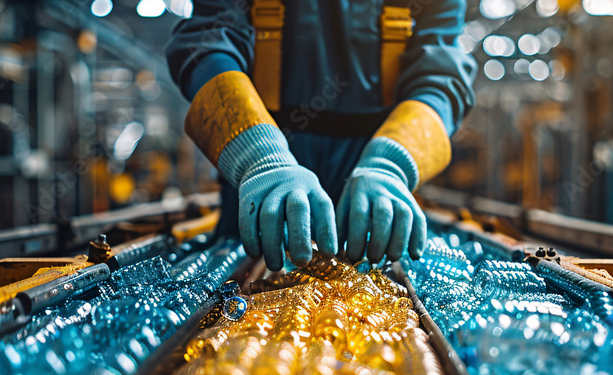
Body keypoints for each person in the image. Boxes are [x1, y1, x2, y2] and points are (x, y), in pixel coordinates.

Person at [166, 0, 476, 270]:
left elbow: (441, 78)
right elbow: (208, 44)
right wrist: (259, 157)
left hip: (372, 190)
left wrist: (391, 164)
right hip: (262, 186)